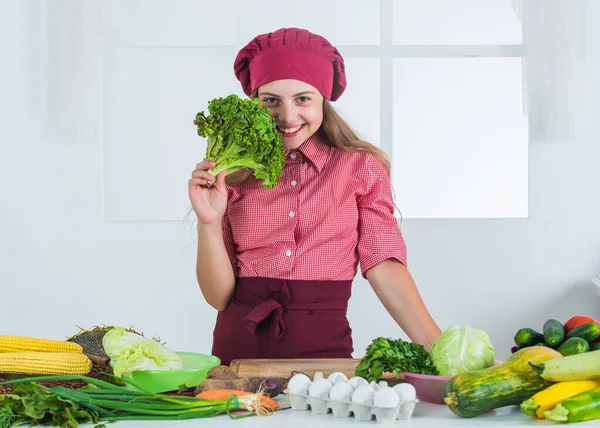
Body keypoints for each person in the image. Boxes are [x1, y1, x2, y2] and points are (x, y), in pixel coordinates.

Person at [188, 28, 441, 365]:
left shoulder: (360, 167)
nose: (288, 117)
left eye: (303, 98)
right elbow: (218, 297)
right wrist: (209, 221)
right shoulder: (231, 177)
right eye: (271, 101)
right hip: (237, 361)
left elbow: (384, 265)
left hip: (327, 361)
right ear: (255, 102)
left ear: (324, 98)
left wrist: (439, 350)